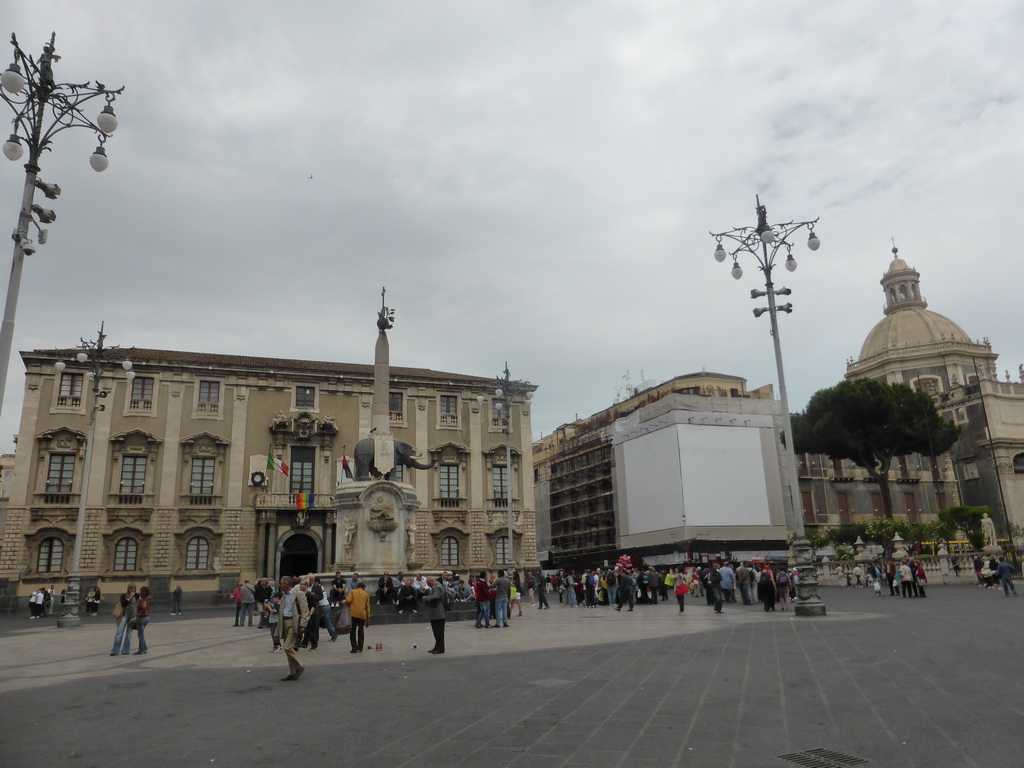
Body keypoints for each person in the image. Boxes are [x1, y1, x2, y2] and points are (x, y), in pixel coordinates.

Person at [278, 576, 307, 681]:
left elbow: (305, 611)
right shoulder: (283, 596)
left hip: (293, 622)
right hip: (284, 623)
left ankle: (299, 666)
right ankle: (292, 672)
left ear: (287, 584)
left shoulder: (298, 594)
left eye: (281, 583)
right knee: (287, 649)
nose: (280, 585)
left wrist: (303, 625)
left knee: (287, 647)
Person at [110, 584, 139, 656]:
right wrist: (130, 598)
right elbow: (124, 604)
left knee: (129, 634)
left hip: (132, 617)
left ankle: (126, 650)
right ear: (128, 589)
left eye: (134, 589)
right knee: (119, 633)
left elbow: (139, 604)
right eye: (131, 589)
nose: (133, 590)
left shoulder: (137, 595)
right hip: (124, 616)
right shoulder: (124, 596)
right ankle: (115, 651)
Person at [343, 581, 371, 653]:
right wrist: (368, 618)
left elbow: (348, 600)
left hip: (353, 614)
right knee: (361, 630)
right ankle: (360, 647)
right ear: (363, 588)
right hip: (362, 615)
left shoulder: (353, 592)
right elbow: (367, 607)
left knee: (352, 631)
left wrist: (344, 602)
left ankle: (354, 648)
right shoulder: (366, 595)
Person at [422, 576, 446, 654]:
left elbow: (435, 597)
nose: (429, 585)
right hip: (435, 614)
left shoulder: (438, 587)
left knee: (439, 632)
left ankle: (441, 648)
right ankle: (437, 646)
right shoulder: (435, 587)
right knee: (436, 632)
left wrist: (426, 598)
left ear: (432, 581)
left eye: (429, 583)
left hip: (438, 613)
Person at [134, 585, 153, 655]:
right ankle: (144, 648)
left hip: (141, 618)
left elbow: (137, 609)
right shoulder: (149, 599)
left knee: (140, 634)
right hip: (147, 617)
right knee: (140, 634)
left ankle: (141, 649)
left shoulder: (141, 601)